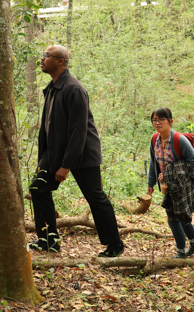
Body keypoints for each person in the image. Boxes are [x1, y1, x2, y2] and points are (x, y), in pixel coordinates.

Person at [29, 45, 124, 257]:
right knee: (38, 189)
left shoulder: (74, 89)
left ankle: (114, 244)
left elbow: (79, 131)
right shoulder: (53, 87)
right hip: (54, 153)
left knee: (95, 197)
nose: (42, 59)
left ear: (61, 61)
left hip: (82, 155)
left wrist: (66, 165)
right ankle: (48, 241)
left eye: (47, 56)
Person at [147, 108, 194, 259]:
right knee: (179, 215)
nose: (157, 123)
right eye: (154, 120)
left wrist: (170, 173)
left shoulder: (179, 140)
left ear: (170, 121)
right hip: (168, 185)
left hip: (183, 184)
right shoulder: (154, 140)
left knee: (174, 217)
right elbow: (154, 163)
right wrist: (150, 183)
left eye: (161, 120)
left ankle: (181, 251)